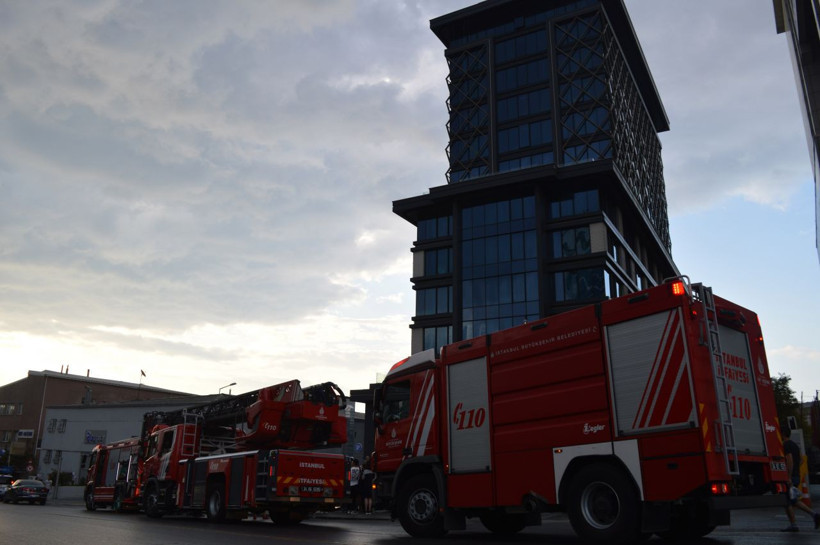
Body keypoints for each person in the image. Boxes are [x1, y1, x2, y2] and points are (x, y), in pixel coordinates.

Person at [781, 427, 820, 532]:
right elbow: (801, 459)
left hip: (791, 476)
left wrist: (788, 476)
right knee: (793, 501)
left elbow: (790, 460)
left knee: (787, 501)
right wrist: (796, 469)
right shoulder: (794, 445)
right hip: (796, 475)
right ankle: (814, 515)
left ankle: (794, 525)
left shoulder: (786, 445)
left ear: (783, 434)